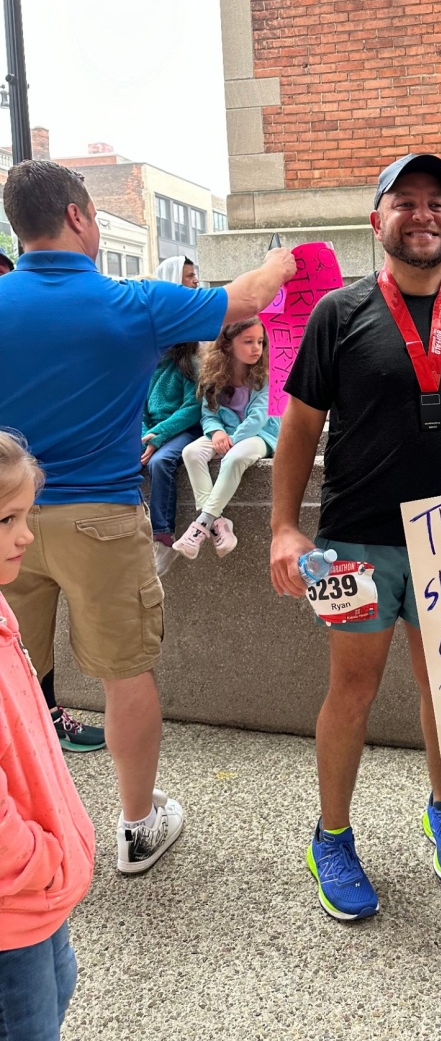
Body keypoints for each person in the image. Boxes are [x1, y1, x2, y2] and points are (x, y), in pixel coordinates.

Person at [0, 159, 296, 875]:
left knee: (11, 679)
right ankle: (135, 828)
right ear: (77, 217)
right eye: (96, 215)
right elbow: (247, 297)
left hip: (6, 520)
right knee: (125, 677)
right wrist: (280, 261)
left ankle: (23, 829)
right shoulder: (131, 301)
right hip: (100, 517)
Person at [270, 153, 441, 921]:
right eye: (405, 202)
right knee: (353, 690)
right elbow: (299, 425)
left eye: (438, 202)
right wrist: (281, 526)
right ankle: (330, 835)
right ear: (378, 222)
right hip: (353, 540)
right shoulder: (339, 312)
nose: (423, 214)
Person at [0, 431, 95, 1041]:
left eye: (26, 514)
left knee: (58, 990)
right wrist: (36, 859)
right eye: (8, 518)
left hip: (38, 886)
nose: (28, 535)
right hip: (14, 901)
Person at [173, 319, 278, 559]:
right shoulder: (214, 374)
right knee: (191, 452)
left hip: (259, 435)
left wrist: (231, 440)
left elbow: (258, 418)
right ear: (228, 345)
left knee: (234, 457)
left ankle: (201, 524)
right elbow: (208, 413)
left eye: (260, 342)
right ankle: (220, 524)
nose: (256, 348)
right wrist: (217, 432)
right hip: (226, 434)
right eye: (248, 342)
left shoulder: (265, 375)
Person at [142, 339, 203, 576]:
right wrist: (146, 436)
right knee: (123, 462)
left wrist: (160, 435)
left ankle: (164, 537)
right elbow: (139, 409)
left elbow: (193, 408)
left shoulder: (190, 363)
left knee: (160, 462)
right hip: (153, 432)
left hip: (184, 430)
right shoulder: (146, 365)